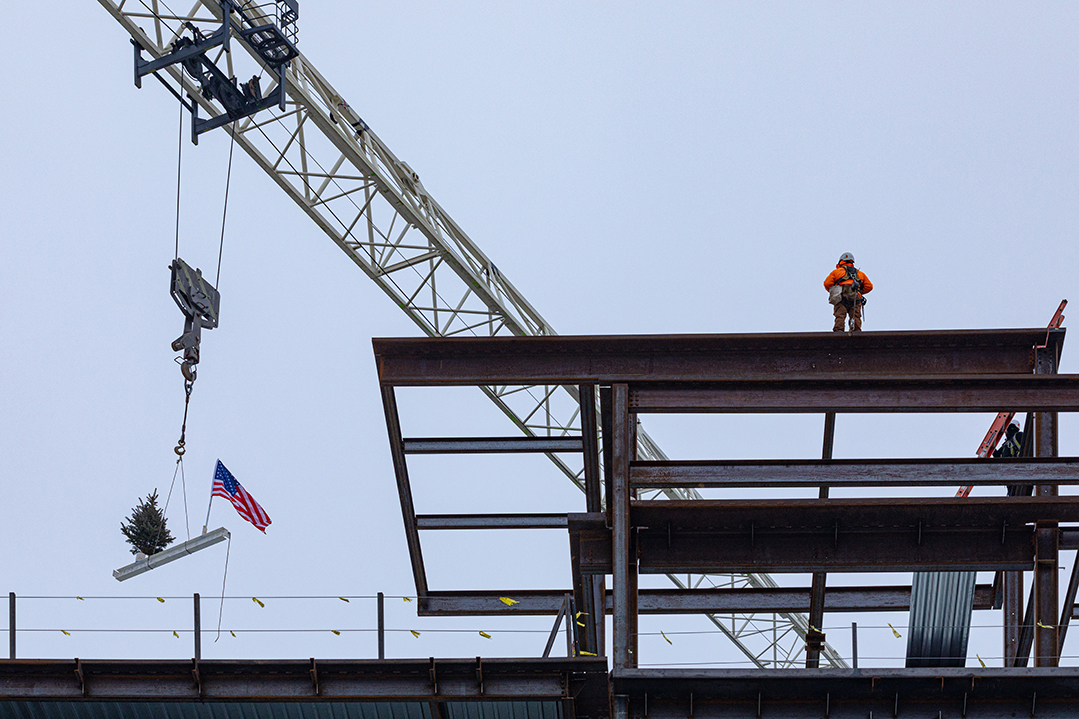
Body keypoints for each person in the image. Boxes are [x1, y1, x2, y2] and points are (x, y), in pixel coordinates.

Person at [824, 253, 873, 332]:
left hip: (841, 296)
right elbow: (869, 287)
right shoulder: (860, 274)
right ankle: (856, 331)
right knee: (855, 315)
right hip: (855, 297)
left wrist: (835, 290)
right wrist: (859, 292)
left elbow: (827, 284)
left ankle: (839, 331)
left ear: (841, 262)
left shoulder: (836, 272)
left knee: (840, 315)